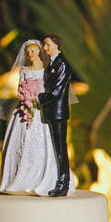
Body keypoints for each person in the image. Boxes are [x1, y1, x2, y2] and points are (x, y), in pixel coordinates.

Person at [0, 39, 61, 195]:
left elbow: (48, 89)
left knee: (42, 141)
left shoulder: (46, 71)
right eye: (28, 52)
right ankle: (19, 176)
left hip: (39, 110)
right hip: (25, 108)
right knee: (20, 140)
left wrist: (38, 98)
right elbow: (21, 87)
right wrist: (25, 97)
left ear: (38, 52)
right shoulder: (24, 70)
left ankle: (42, 176)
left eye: (33, 51)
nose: (30, 55)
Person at [39, 34, 79, 196]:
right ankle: (58, 179)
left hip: (58, 112)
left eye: (47, 44)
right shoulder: (51, 64)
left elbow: (56, 92)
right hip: (51, 112)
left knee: (61, 148)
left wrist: (39, 98)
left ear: (56, 45)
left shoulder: (62, 64)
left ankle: (64, 183)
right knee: (56, 147)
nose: (45, 48)